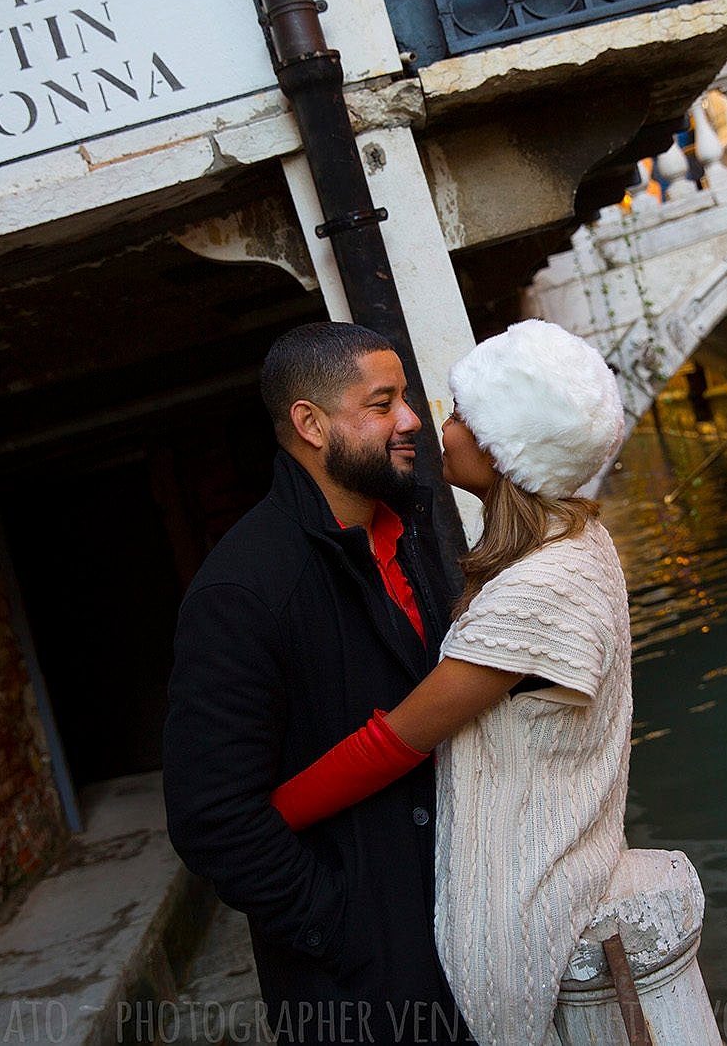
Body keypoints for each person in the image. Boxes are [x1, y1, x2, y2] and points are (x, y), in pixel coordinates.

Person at [269, 319, 633, 1046]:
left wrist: (266, 817)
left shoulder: (539, 589)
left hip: (515, 915)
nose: (439, 423)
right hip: (547, 877)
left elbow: (395, 740)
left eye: (465, 413)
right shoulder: (575, 541)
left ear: (507, 448)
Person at [161, 321, 469, 1043]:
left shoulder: (411, 528)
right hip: (355, 997)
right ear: (310, 424)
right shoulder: (241, 590)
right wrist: (347, 929)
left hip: (464, 939)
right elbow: (213, 822)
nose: (410, 420)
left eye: (404, 399)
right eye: (382, 402)